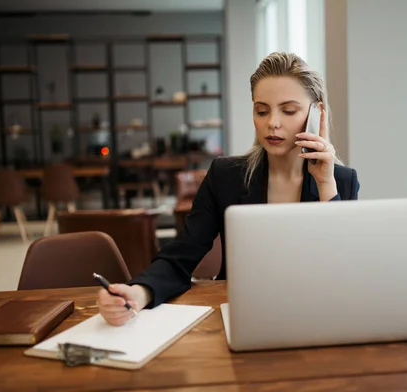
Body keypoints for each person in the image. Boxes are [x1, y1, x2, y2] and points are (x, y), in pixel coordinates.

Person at [98, 52, 360, 326]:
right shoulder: (226, 176)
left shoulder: (340, 181)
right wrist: (139, 293)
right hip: (243, 316)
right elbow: (182, 255)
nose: (272, 122)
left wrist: (325, 184)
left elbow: (345, 273)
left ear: (316, 113)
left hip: (317, 318)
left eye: (289, 110)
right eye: (262, 110)